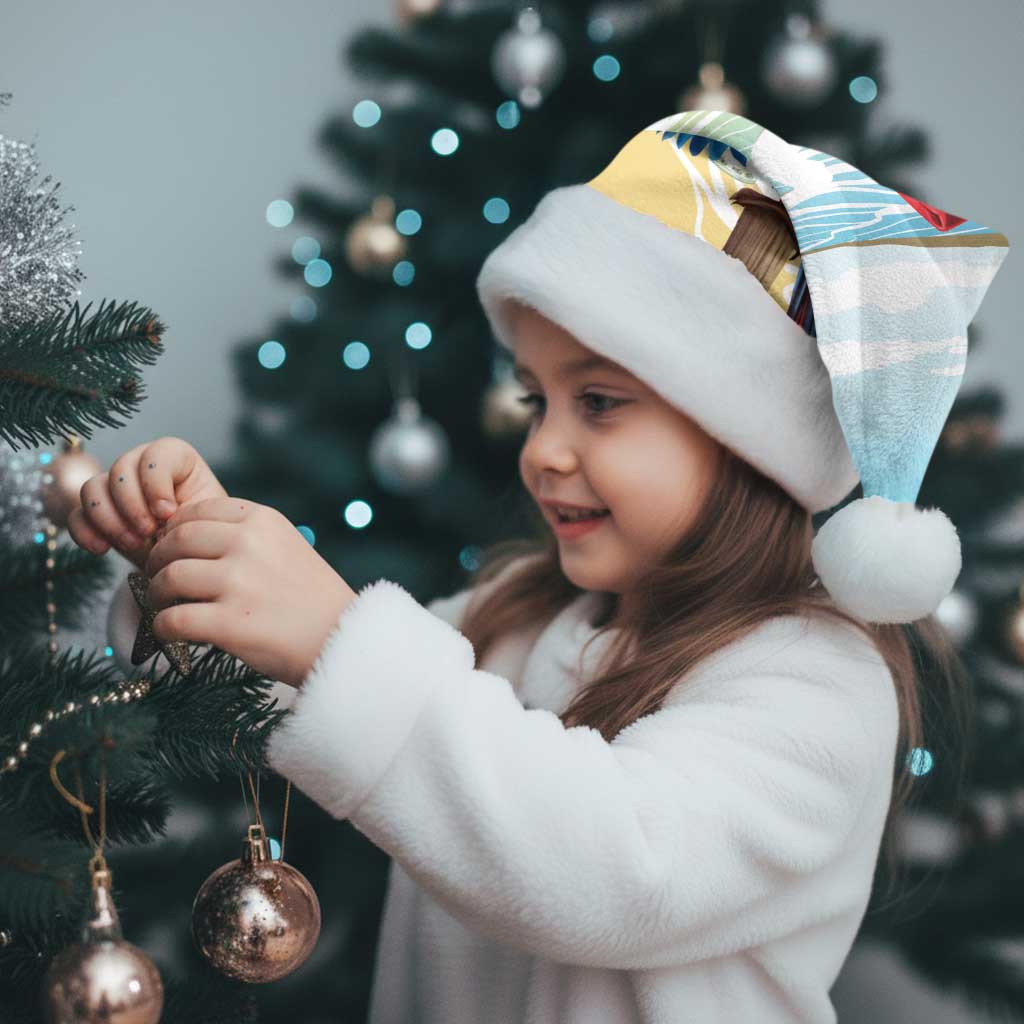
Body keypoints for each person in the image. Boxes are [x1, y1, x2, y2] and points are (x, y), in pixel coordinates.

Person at [73, 110, 1010, 1023]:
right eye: (536, 401)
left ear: (747, 441)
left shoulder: (818, 683)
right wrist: (191, 566)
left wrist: (334, 635)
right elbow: (306, 691)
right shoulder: (515, 616)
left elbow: (616, 870)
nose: (543, 450)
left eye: (598, 403)